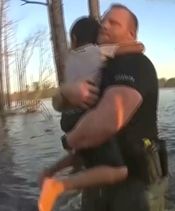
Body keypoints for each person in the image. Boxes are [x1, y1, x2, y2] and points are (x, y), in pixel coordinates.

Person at [57, 4, 168, 211]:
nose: (104, 25)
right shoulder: (98, 66)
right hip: (99, 180)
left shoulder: (136, 64)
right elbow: (60, 105)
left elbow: (106, 122)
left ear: (131, 33)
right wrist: (65, 91)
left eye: (113, 22)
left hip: (135, 184)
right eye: (104, 21)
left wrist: (68, 141)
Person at [38, 16, 147, 211]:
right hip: (87, 118)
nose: (106, 28)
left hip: (71, 118)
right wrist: (137, 46)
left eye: (114, 24)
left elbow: (59, 100)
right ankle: (58, 185)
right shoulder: (98, 52)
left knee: (81, 157)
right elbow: (130, 48)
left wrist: (64, 90)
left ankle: (51, 171)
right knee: (119, 171)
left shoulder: (71, 58)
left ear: (74, 39)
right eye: (103, 28)